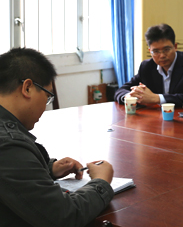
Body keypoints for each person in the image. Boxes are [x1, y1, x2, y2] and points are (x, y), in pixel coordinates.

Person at [0, 48, 115, 226]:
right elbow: (64, 216)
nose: (46, 106)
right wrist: (101, 182)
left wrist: (49, 169)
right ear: (27, 88)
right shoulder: (8, 146)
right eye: (47, 96)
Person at [114, 24, 183, 108]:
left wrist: (156, 98)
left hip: (182, 117)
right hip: (155, 117)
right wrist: (129, 96)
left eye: (166, 49)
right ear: (150, 51)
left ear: (175, 47)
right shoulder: (146, 66)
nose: (162, 55)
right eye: (156, 51)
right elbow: (121, 90)